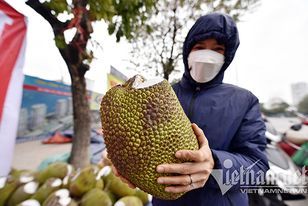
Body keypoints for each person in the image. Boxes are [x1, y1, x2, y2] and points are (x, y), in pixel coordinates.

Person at [115, 12, 269, 206]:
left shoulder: (244, 100)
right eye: (200, 47)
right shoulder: (159, 95)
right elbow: (139, 143)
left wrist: (215, 165)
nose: (207, 55)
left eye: (217, 49)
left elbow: (258, 169)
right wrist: (126, 163)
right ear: (188, 51)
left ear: (226, 56)